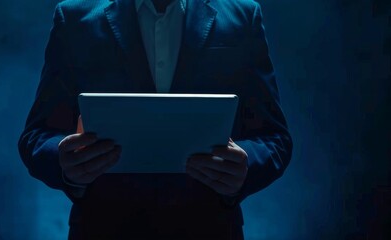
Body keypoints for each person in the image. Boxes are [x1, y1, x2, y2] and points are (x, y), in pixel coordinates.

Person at [18, 0, 293, 239]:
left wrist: (245, 169)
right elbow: (37, 135)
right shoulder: (75, 20)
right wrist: (64, 162)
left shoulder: (243, 17)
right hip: (102, 230)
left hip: (211, 230)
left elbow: (274, 137)